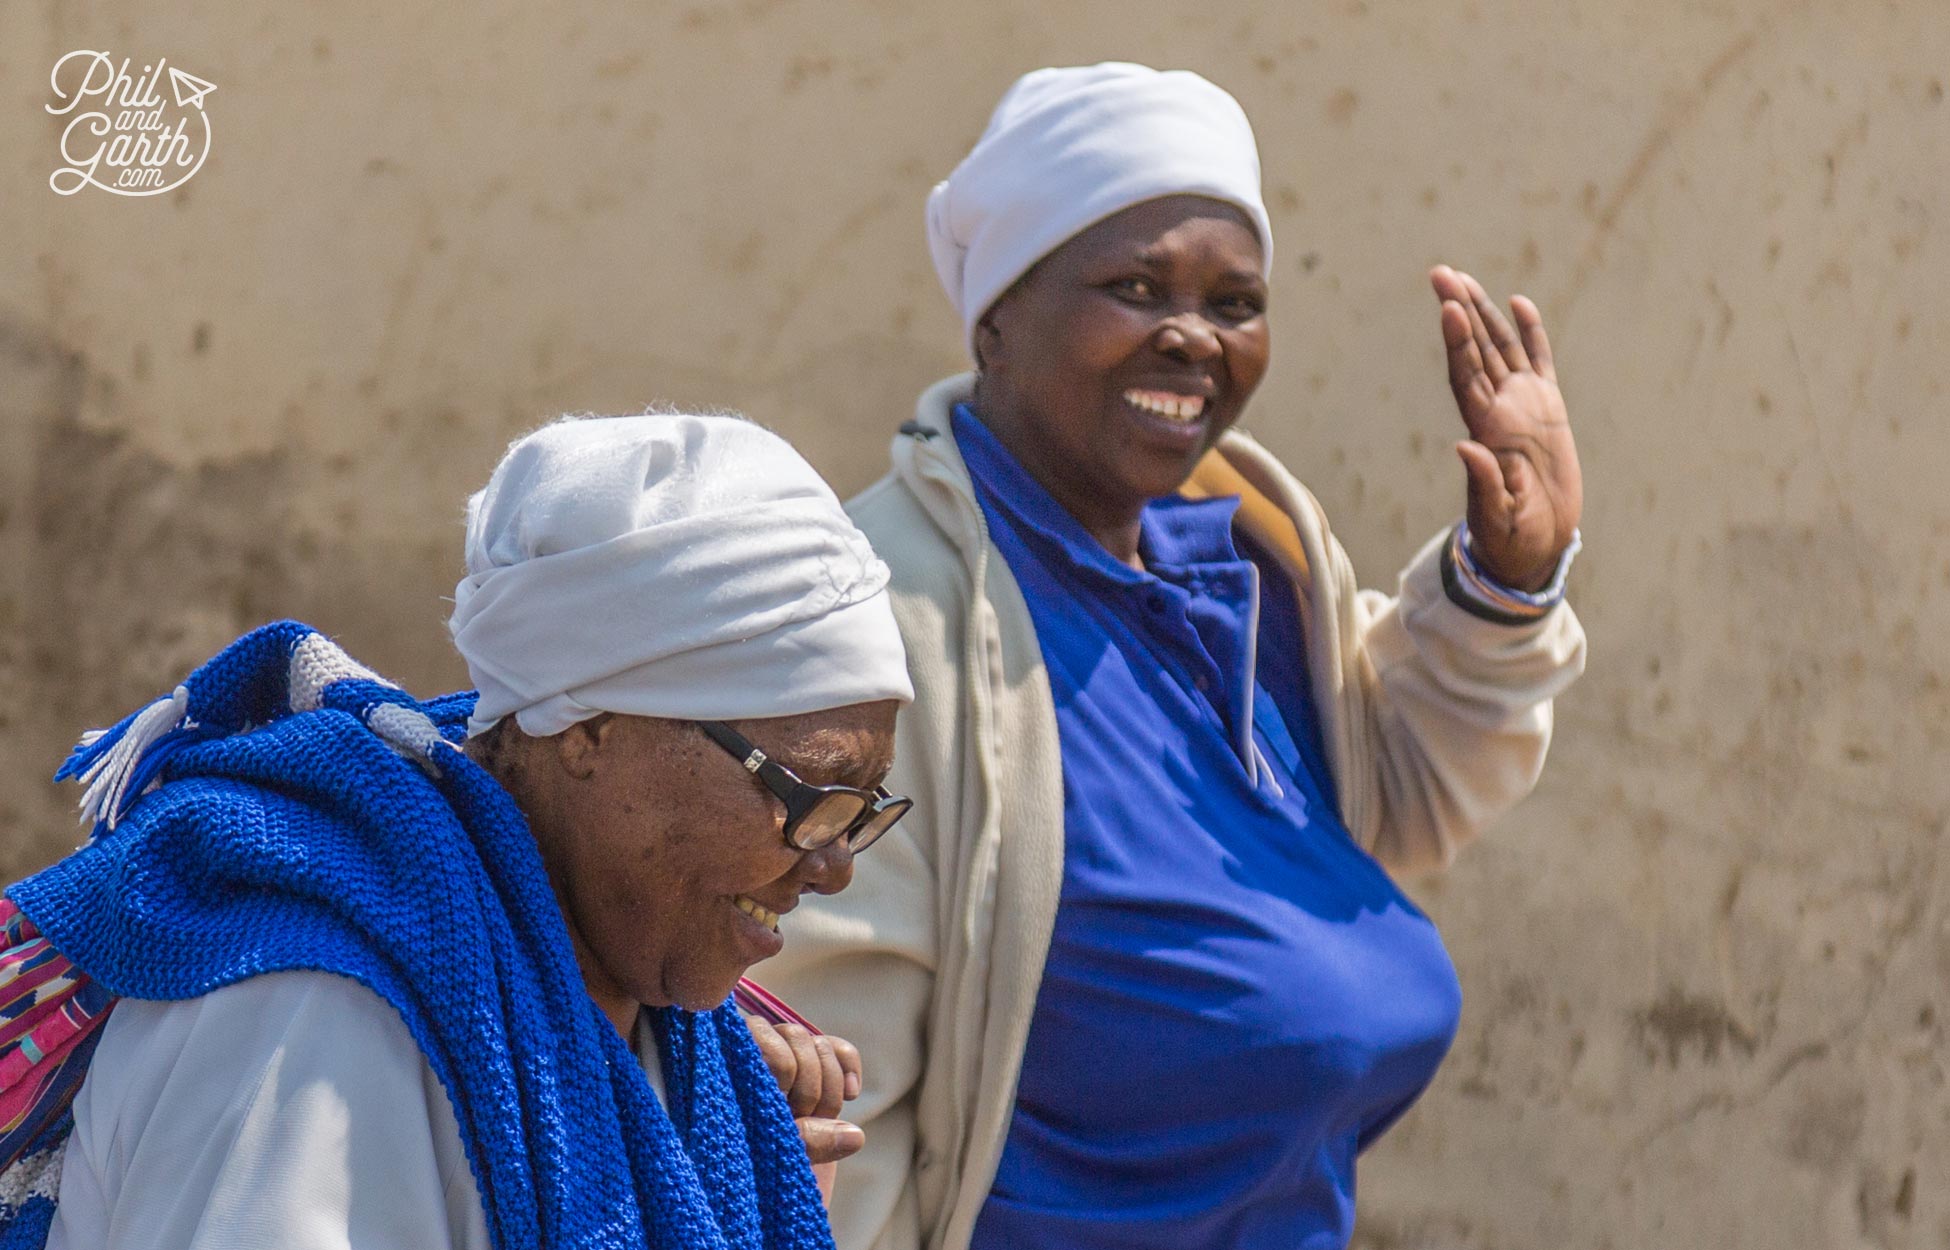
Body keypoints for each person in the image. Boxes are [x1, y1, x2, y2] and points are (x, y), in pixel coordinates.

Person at [760, 63, 1589, 1250]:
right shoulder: (892, 628)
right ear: (995, 317)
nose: (1192, 335)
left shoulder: (1243, 566)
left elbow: (1392, 802)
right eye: (1134, 286)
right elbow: (825, 1090)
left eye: (1235, 301)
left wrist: (1509, 578)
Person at [0, 413, 913, 1249]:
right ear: (592, 732)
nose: (833, 865)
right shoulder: (314, 1031)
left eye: (864, 808)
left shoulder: (665, 1036)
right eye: (808, 795)